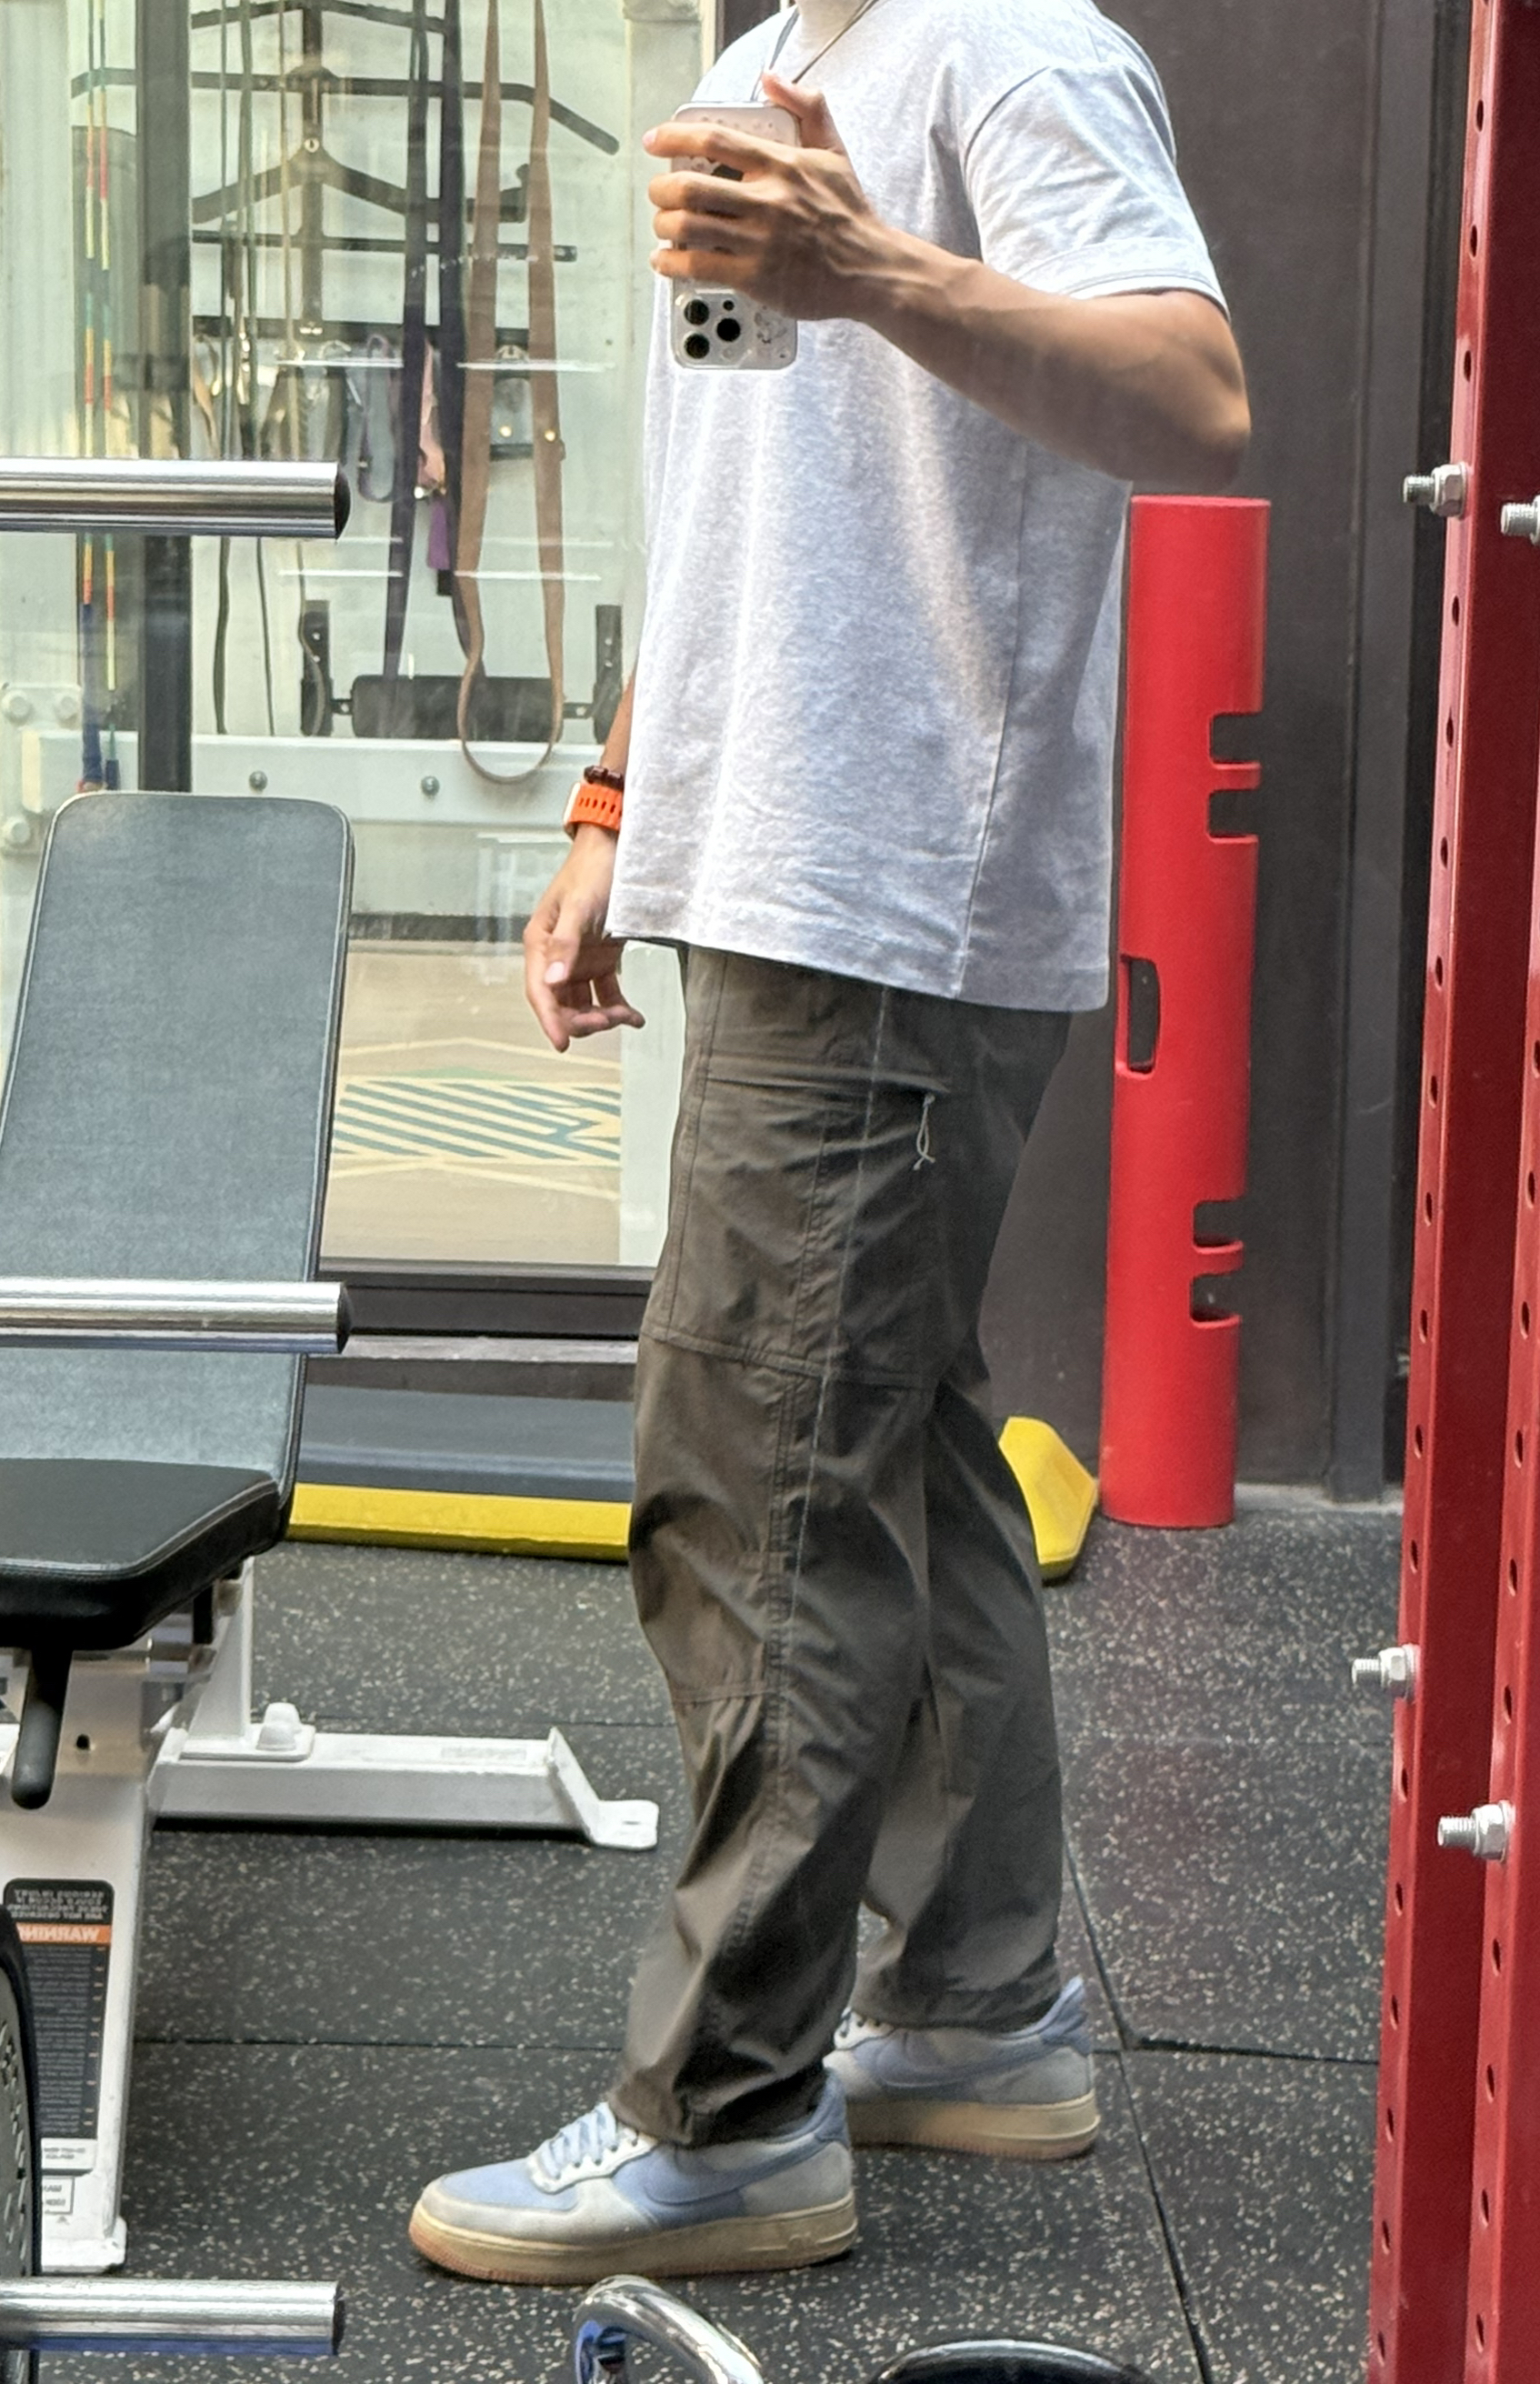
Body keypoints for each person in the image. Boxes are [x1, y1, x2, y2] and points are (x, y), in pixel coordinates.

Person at [409, 0, 1248, 2285]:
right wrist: (619, 804)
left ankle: (727, 2116)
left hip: (889, 899)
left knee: (759, 1489)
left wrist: (869, 263)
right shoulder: (754, 70)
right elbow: (736, 501)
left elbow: (1192, 395)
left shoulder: (1010, 52)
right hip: (769, 869)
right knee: (894, 1444)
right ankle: (977, 2008)